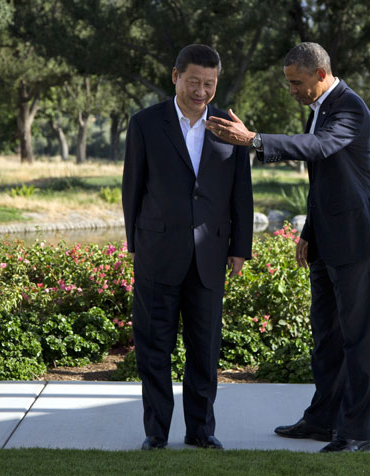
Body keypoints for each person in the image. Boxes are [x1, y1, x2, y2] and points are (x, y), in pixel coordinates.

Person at [205, 42, 370, 453]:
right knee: (326, 336)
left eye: (297, 83)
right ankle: (323, 420)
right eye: (289, 82)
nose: (292, 90)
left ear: (321, 75)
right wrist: (309, 230)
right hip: (326, 238)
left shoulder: (350, 108)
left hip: (358, 239)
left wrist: (253, 139)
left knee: (359, 342)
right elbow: (324, 174)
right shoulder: (321, 107)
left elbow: (319, 147)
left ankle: (356, 434)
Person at [122, 44, 253, 450]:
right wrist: (135, 245)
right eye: (194, 81)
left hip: (210, 256)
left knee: (205, 350)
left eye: (209, 84)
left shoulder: (229, 126)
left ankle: (201, 430)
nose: (201, 91)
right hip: (157, 253)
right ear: (175, 76)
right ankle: (155, 433)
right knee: (154, 349)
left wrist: (240, 249)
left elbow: (241, 194)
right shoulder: (145, 123)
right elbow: (133, 187)